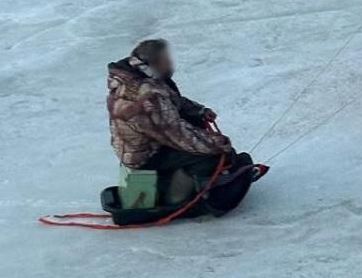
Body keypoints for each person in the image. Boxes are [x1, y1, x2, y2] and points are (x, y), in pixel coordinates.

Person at [107, 39, 253, 207]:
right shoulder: (148, 94)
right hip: (145, 155)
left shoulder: (138, 76)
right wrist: (216, 144)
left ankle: (171, 185)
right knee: (209, 156)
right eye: (166, 60)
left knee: (198, 131)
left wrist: (198, 110)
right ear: (155, 63)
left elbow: (171, 101)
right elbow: (176, 133)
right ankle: (179, 200)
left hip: (140, 144)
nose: (170, 63)